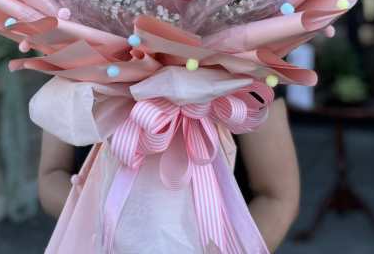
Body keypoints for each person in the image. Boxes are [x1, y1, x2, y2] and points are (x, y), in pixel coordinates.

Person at [38, 97, 300, 252]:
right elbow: (51, 175)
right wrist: (114, 233)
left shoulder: (247, 56)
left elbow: (277, 196)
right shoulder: (77, 50)